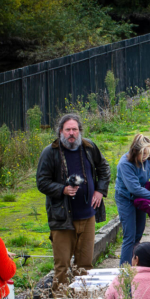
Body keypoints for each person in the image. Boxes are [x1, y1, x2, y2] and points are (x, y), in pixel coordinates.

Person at [36, 113, 111, 289]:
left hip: (87, 216)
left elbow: (104, 168)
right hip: (62, 219)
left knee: (85, 266)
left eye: (75, 129)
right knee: (62, 267)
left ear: (80, 131)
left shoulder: (89, 147)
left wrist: (100, 190)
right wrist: (62, 189)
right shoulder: (50, 152)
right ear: (60, 131)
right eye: (68, 129)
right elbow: (42, 182)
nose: (71, 133)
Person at [115, 134, 150, 266]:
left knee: (138, 234)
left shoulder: (148, 157)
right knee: (129, 236)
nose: (147, 156)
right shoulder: (125, 164)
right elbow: (134, 188)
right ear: (136, 151)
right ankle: (124, 272)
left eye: (148, 152)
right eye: (143, 153)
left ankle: (135, 265)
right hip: (126, 199)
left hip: (141, 198)